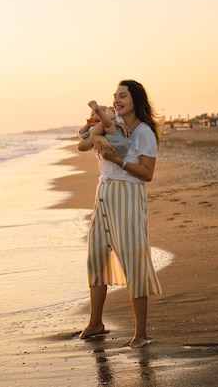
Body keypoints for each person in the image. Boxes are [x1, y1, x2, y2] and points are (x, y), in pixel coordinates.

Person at [77, 79, 162, 348]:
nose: (117, 100)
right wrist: (94, 131)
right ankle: (95, 322)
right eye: (115, 96)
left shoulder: (144, 132)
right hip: (103, 194)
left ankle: (141, 333)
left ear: (136, 99)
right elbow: (82, 145)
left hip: (127, 194)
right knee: (96, 257)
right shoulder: (110, 127)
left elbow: (147, 174)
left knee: (133, 260)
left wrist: (119, 161)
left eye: (123, 95)